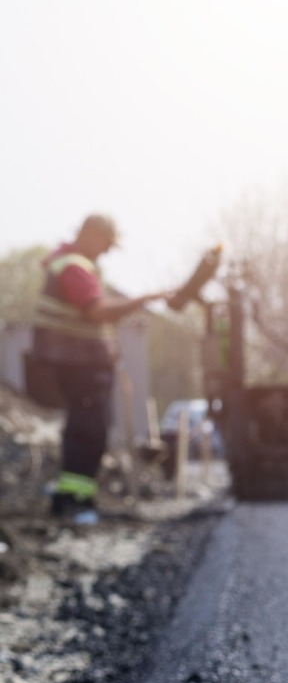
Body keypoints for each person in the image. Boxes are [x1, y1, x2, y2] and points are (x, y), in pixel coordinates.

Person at [31, 215, 169, 524]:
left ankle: (72, 499)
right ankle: (76, 503)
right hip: (81, 367)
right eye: (106, 244)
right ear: (91, 235)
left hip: (80, 366)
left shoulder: (68, 263)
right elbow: (96, 312)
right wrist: (143, 299)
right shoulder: (75, 266)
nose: (106, 251)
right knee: (88, 433)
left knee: (85, 432)